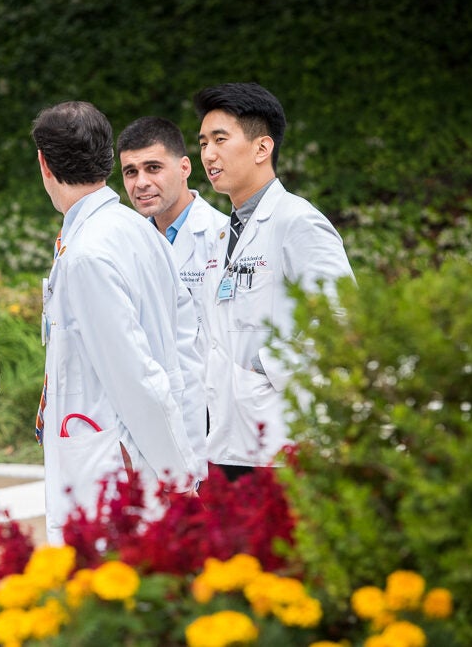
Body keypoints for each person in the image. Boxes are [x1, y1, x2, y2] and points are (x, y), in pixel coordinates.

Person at [33, 102, 200, 544]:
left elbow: (135, 374)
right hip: (126, 448)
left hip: (115, 459)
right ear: (108, 158)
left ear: (44, 164)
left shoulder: (89, 252)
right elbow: (184, 347)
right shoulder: (136, 229)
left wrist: (177, 472)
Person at [193, 82, 354, 479]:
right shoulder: (223, 233)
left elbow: (342, 316)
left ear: (262, 148)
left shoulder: (297, 222)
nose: (208, 155)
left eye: (220, 140)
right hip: (226, 439)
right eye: (202, 143)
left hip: (280, 445)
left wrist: (264, 367)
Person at [117, 116, 229, 469]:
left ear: (184, 168)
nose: (141, 183)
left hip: (214, 418)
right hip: (152, 417)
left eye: (153, 167)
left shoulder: (221, 237)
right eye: (130, 172)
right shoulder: (127, 244)